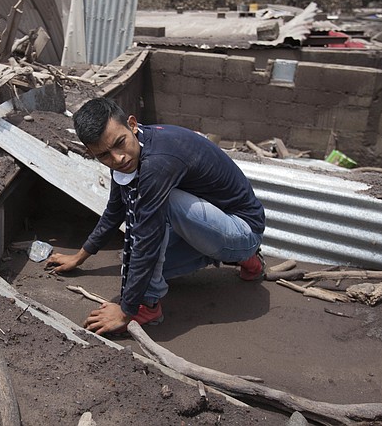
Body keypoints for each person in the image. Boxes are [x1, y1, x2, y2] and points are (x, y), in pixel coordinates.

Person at [46, 98, 265, 335]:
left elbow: (147, 236)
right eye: (104, 155)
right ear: (93, 153)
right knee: (134, 265)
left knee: (150, 237)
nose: (118, 158)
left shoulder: (158, 162)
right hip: (210, 226)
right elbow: (114, 210)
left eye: (120, 143)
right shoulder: (128, 151)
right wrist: (79, 257)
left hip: (242, 229)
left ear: (132, 124)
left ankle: (149, 307)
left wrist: (126, 310)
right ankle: (245, 260)